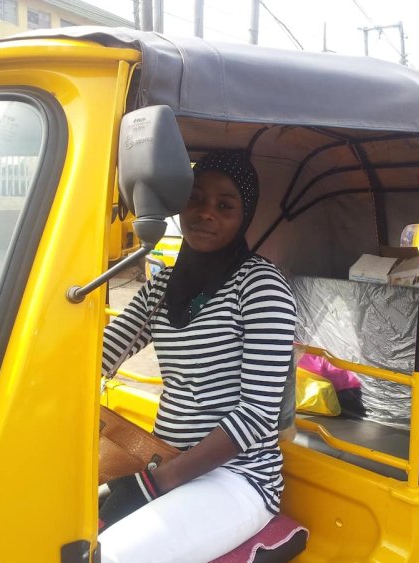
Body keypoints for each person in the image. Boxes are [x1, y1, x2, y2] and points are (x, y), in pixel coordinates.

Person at [98, 151, 297, 562]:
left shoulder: (261, 287)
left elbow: (258, 413)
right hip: (163, 458)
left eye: (225, 205)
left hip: (237, 478)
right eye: (196, 198)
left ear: (243, 217)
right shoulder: (164, 285)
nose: (206, 213)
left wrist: (158, 483)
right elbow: (103, 351)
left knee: (110, 557)